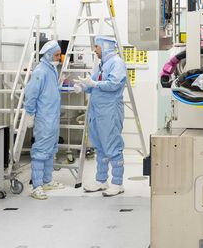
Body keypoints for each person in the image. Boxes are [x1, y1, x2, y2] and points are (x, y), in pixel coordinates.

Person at [75, 36, 127, 197]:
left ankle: (117, 183)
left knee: (112, 145)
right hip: (97, 111)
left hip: (109, 111)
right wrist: (83, 86)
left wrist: (94, 84)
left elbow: (114, 84)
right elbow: (94, 85)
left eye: (97, 46)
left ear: (105, 47)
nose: (95, 50)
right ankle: (101, 180)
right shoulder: (103, 64)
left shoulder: (117, 63)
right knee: (100, 147)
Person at [24, 40, 65, 200]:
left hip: (52, 117)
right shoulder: (41, 71)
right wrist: (30, 113)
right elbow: (31, 93)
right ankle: (37, 186)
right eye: (56, 55)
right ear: (48, 55)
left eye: (59, 55)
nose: (58, 58)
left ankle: (47, 181)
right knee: (41, 151)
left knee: (50, 150)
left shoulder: (52, 70)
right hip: (44, 118)